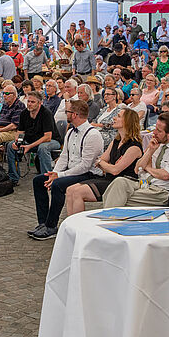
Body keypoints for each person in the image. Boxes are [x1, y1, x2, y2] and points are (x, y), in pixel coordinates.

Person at [29, 100, 104, 241]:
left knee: (58, 185)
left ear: (74, 115)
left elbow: (85, 165)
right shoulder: (70, 132)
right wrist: (54, 174)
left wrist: (59, 176)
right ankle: (43, 222)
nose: (66, 114)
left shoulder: (92, 135)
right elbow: (64, 156)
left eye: (67, 112)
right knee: (38, 180)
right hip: (70, 170)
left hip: (88, 174)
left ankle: (51, 226)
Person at [101, 112, 169, 207]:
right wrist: (150, 151)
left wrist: (148, 168)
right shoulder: (157, 144)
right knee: (119, 182)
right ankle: (109, 217)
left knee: (118, 196)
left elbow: (166, 175)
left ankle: (108, 219)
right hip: (143, 184)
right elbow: (137, 169)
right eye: (155, 129)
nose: (154, 133)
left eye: (159, 131)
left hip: (161, 191)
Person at [64, 109, 144, 215]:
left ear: (127, 121)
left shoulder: (134, 146)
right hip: (109, 179)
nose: (114, 118)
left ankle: (80, 225)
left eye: (119, 116)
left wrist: (105, 164)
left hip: (121, 184)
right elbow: (100, 161)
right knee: (70, 190)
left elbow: (115, 170)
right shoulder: (116, 141)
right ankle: (71, 228)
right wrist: (107, 165)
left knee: (78, 192)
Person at [6, 91, 61, 184]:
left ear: (39, 103)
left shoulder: (46, 113)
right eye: (28, 102)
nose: (29, 104)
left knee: (43, 148)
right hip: (30, 141)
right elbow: (20, 132)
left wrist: (30, 146)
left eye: (32, 102)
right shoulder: (24, 113)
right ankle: (13, 178)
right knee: (10, 146)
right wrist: (17, 142)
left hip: (52, 140)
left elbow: (47, 137)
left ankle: (47, 178)